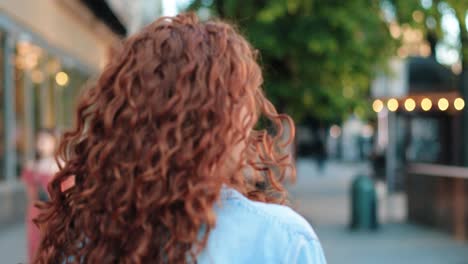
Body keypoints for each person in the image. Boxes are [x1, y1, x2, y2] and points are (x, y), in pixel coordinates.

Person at [34, 13, 326, 263]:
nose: (250, 121)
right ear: (219, 121)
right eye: (243, 102)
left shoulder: (86, 239)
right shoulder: (280, 239)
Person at [21, 129, 59, 263]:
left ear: (54, 142)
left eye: (46, 140)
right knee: (35, 246)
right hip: (35, 213)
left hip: (53, 213)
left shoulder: (60, 166)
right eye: (40, 140)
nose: (42, 143)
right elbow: (28, 193)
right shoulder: (31, 167)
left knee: (52, 249)